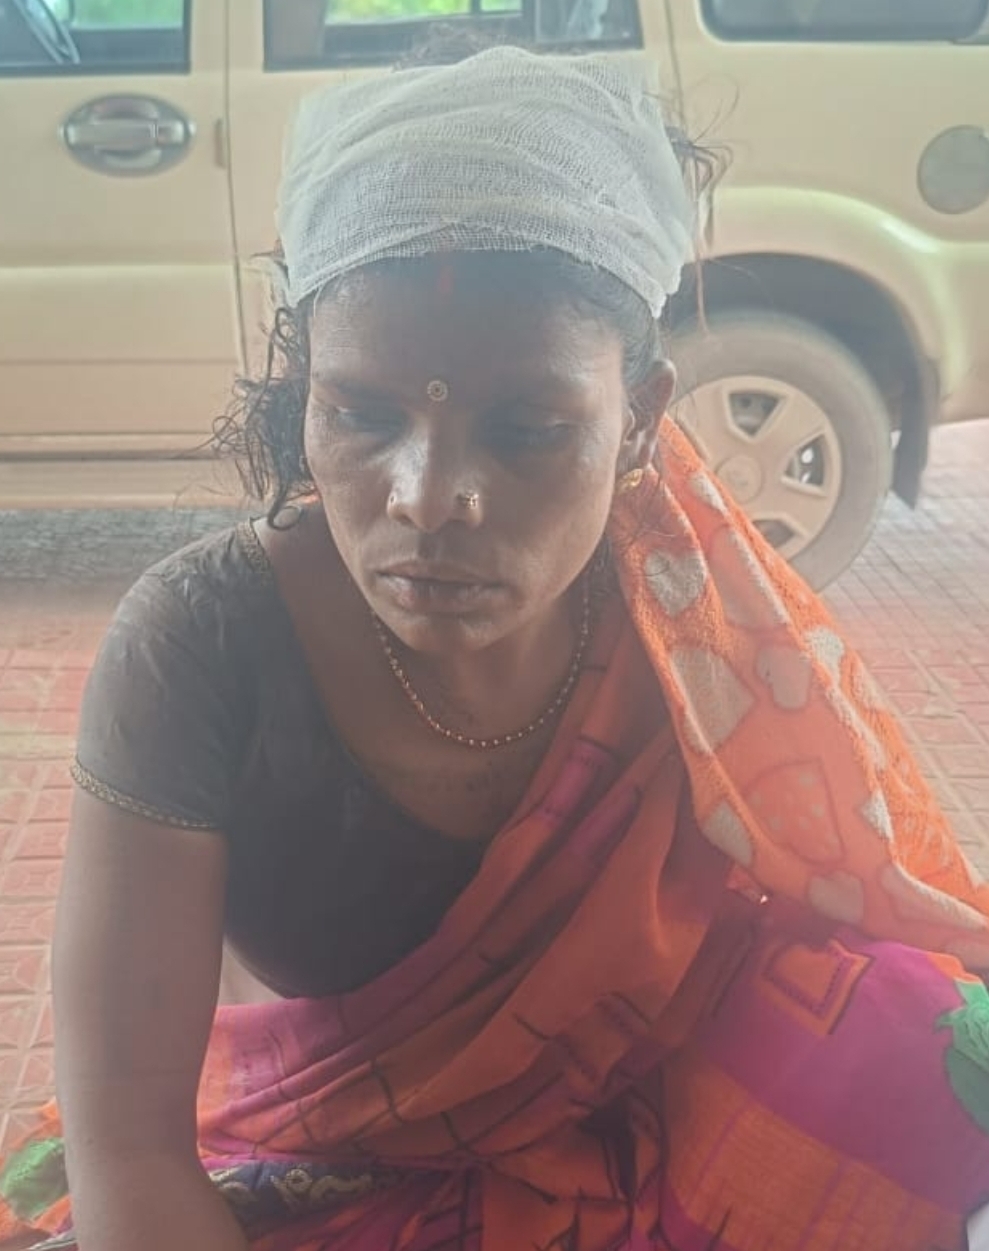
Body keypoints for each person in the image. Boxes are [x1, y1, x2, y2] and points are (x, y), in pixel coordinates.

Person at [1, 44, 988, 1251]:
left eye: (526, 429)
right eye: (360, 415)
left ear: (640, 419)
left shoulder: (689, 626)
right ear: (304, 396)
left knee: (941, 1060)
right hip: (318, 1165)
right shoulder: (198, 647)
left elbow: (835, 908)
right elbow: (131, 1156)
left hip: (656, 1114)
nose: (428, 498)